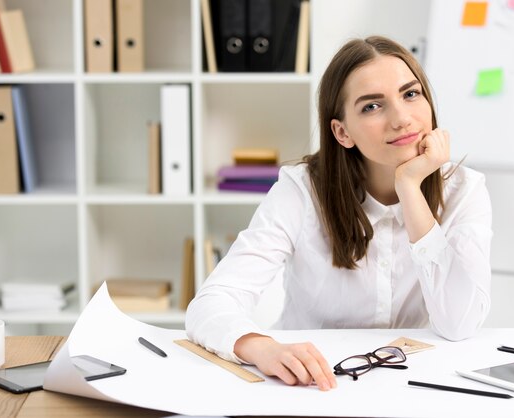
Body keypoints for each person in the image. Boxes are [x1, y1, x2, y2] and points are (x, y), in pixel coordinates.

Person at [186, 35, 492, 392]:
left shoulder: (465, 190)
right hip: (313, 387)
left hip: (414, 387)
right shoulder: (301, 190)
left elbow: (460, 322)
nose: (402, 119)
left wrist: (410, 189)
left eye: (410, 94)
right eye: (372, 107)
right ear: (342, 132)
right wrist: (260, 347)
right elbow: (210, 304)